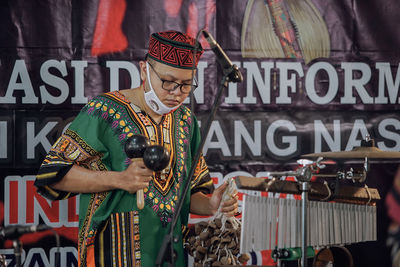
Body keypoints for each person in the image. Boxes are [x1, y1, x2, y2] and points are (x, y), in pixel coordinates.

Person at [35, 30, 238, 267]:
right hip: (113, 251)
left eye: (185, 85)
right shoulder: (103, 111)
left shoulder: (186, 121)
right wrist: (120, 179)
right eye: (168, 82)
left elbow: (187, 194)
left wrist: (211, 204)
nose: (176, 93)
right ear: (144, 70)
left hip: (169, 254)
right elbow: (53, 175)